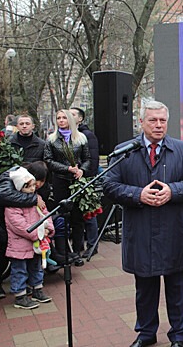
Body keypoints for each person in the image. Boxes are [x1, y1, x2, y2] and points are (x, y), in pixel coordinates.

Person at [103, 100, 183, 347]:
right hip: (141, 232)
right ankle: (146, 333)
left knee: (177, 289)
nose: (158, 125)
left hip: (173, 232)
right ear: (141, 122)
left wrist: (173, 190)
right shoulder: (124, 151)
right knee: (145, 290)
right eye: (153, 120)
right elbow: (109, 185)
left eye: (162, 120)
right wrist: (138, 195)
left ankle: (179, 337)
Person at [0, 162, 49, 300]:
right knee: (5, 244)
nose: (39, 184)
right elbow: (3, 195)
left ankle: (24, 282)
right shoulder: (11, 176)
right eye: (39, 180)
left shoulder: (26, 179)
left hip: (2, 215)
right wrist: (33, 199)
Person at [44, 109, 90, 266]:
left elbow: (87, 158)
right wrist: (66, 169)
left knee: (78, 218)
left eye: (64, 118)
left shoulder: (81, 138)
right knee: (62, 217)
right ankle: (64, 251)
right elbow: (48, 161)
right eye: (58, 118)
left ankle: (77, 251)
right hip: (60, 181)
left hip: (77, 182)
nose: (61, 120)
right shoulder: (51, 139)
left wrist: (82, 169)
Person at [4, 167, 54, 309]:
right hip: (20, 244)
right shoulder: (12, 206)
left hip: (35, 243)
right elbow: (18, 225)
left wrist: (48, 228)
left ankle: (37, 289)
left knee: (36, 267)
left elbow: (46, 213)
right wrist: (38, 233)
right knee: (19, 270)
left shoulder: (36, 200)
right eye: (29, 186)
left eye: (33, 185)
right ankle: (20, 295)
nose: (33, 189)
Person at [72, 107, 101, 258]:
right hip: (71, 180)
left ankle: (92, 245)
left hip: (86, 180)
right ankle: (77, 247)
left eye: (73, 115)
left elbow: (93, 159)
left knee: (89, 214)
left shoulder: (88, 135)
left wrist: (87, 178)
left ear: (80, 119)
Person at [9, 114, 49, 201]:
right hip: (15, 186)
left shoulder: (42, 144)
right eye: (21, 124)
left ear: (33, 126)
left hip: (36, 186)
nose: (24, 126)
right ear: (17, 126)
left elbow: (46, 165)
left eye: (27, 123)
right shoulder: (9, 144)